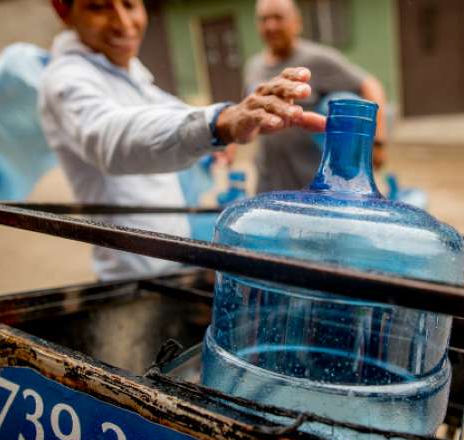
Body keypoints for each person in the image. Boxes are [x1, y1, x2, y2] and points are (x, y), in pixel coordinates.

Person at [40, 0, 325, 280]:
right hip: (133, 279)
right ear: (63, 10)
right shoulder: (67, 79)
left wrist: (230, 124)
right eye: (98, 7)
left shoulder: (133, 77)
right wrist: (222, 123)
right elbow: (109, 137)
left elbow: (178, 115)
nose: (123, 24)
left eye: (129, 5)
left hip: (174, 264)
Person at [246, 0, 387, 193]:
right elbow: (247, 109)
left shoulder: (317, 60)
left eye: (278, 17)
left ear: (297, 22)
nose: (271, 25)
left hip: (310, 184)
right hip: (267, 181)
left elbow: (371, 85)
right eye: (264, 19)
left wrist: (378, 143)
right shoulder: (252, 66)